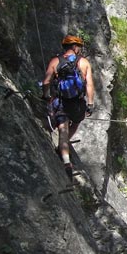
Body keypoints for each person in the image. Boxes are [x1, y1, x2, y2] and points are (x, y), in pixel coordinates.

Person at [42, 35, 95, 180]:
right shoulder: (83, 62)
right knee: (75, 123)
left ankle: (66, 160)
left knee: (62, 130)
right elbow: (89, 84)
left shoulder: (55, 61)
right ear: (76, 47)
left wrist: (46, 95)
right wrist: (90, 104)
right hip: (78, 104)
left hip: (61, 102)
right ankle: (62, 148)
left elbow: (46, 81)